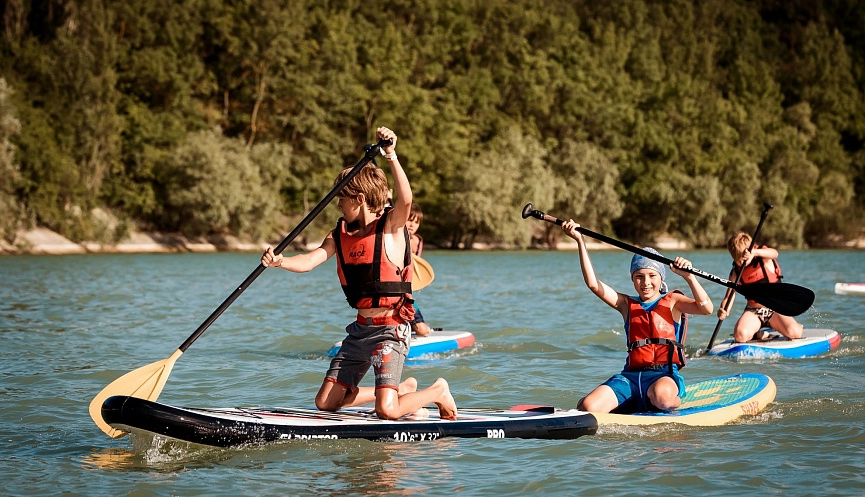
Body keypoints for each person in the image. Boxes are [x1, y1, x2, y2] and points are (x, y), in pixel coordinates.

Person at [260, 126, 457, 421]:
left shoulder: (390, 226)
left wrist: (391, 156)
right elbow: (309, 261)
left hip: (391, 331)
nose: (338, 203)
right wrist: (280, 261)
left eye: (343, 197)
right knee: (325, 403)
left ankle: (437, 391)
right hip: (359, 332)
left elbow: (405, 199)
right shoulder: (338, 235)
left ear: (360, 199)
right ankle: (403, 389)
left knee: (386, 411)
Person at [561, 219, 714, 414]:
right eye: (639, 276)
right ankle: (632, 401)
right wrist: (580, 242)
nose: (646, 283)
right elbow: (593, 284)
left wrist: (689, 276)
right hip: (631, 378)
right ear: (633, 279)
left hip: (663, 376)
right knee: (587, 407)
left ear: (661, 278)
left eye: (652, 276)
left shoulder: (674, 301)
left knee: (662, 398)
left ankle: (673, 401)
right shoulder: (626, 305)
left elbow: (706, 308)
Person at [717, 232, 803, 343]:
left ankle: (794, 325)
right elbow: (729, 296)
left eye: (742, 258)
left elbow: (775, 253)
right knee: (740, 336)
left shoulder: (764, 258)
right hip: (754, 311)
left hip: (775, 308)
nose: (739, 262)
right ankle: (758, 334)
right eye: (736, 259)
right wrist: (724, 310)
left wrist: (755, 252)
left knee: (795, 333)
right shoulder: (735, 272)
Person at [406, 203, 432, 336]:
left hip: (406, 290)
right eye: (409, 220)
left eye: (416, 222)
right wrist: (389, 201)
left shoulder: (416, 240)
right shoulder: (397, 235)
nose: (412, 224)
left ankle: (421, 328)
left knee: (423, 331)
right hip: (394, 288)